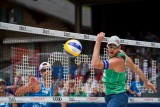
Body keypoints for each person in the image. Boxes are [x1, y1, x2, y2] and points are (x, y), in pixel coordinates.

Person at [92, 32, 157, 107]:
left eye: (115, 46)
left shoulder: (117, 61)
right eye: (110, 46)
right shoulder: (121, 53)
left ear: (119, 47)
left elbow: (95, 64)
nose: (112, 49)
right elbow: (134, 67)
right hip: (112, 96)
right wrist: (146, 81)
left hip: (117, 96)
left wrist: (98, 42)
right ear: (107, 45)